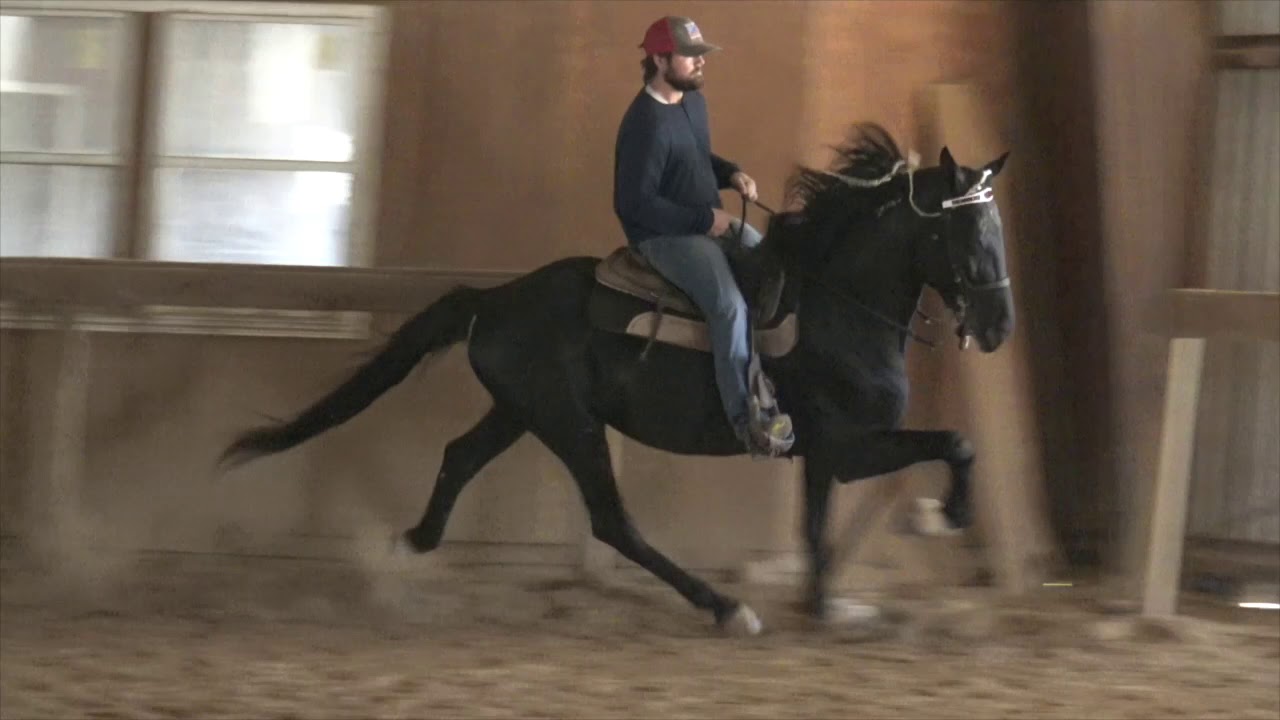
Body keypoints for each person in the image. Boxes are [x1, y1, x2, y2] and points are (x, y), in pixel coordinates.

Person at [612, 15, 794, 457]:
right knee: (728, 305)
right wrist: (702, 221)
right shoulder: (644, 123)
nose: (699, 64)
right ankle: (745, 420)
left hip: (702, 219)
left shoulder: (692, 104)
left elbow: (696, 157)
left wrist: (731, 172)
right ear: (659, 59)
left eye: (700, 56)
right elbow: (633, 204)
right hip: (663, 237)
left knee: (770, 257)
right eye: (690, 56)